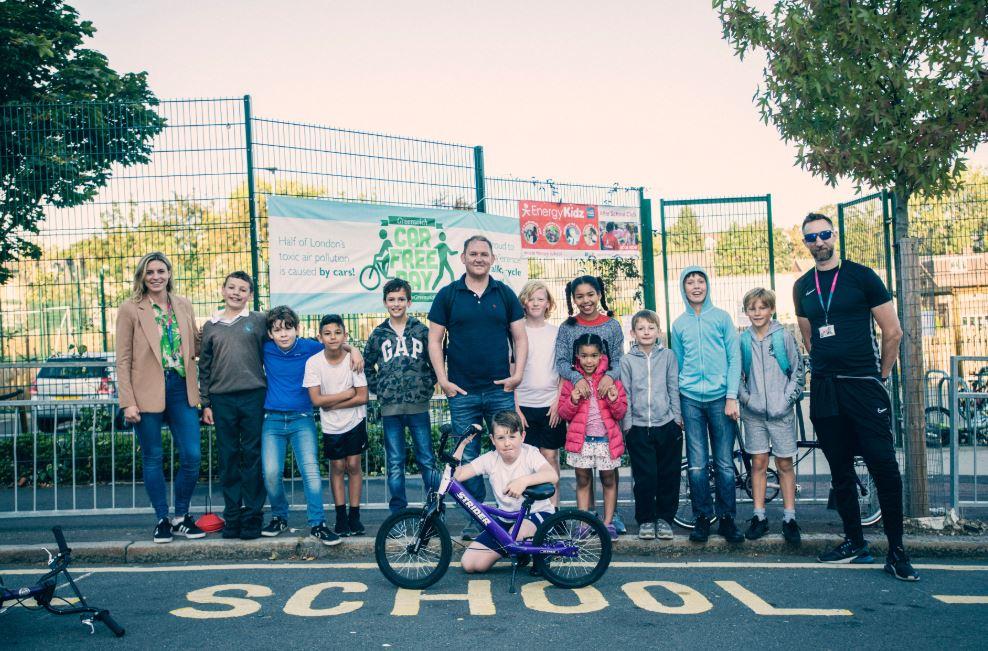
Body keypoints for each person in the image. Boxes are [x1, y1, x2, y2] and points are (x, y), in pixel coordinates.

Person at [794, 213, 917, 581]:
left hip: (863, 385)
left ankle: (896, 551)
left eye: (824, 234)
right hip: (826, 391)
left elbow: (892, 332)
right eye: (811, 238)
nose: (819, 242)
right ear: (805, 243)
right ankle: (855, 542)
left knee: (883, 467)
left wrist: (880, 376)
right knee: (840, 469)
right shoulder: (802, 286)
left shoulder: (861, 277)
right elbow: (809, 337)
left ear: (835, 236)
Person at [428, 235, 528, 540]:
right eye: (473, 253)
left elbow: (520, 338)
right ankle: (479, 520)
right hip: (463, 394)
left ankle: (513, 519)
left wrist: (518, 374)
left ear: (492, 259)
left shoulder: (505, 294)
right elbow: (434, 340)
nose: (479, 258)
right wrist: (443, 380)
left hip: (500, 390)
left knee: (510, 452)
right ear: (463, 257)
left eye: (484, 254)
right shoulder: (448, 295)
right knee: (467, 459)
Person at [116, 252, 205, 544]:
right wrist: (127, 401)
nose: (156, 276)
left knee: (192, 456)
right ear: (142, 276)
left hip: (181, 387)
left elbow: (198, 343)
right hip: (145, 391)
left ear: (169, 273)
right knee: (153, 457)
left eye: (161, 271)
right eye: (150, 272)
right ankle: (161, 519)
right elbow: (123, 358)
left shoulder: (183, 304)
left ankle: (181, 517)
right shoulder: (131, 309)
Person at [671, 266, 744, 544]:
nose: (696, 286)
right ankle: (703, 517)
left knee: (725, 463)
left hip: (720, 399)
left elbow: (734, 359)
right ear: (684, 288)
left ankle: (727, 519)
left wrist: (731, 396)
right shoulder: (678, 325)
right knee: (697, 465)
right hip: (690, 399)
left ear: (707, 285)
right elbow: (677, 364)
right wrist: (679, 404)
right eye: (690, 282)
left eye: (700, 280)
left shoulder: (722, 318)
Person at [259, 305, 341, 546]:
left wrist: (353, 350)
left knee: (311, 472)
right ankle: (279, 517)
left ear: (297, 329)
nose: (283, 334)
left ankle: (317, 523)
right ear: (270, 334)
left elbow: (336, 346)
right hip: (272, 420)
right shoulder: (266, 349)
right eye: (277, 330)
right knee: (271, 472)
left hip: (302, 418)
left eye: (288, 328)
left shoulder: (309, 347)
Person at [553, 275, 628, 534]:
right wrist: (576, 381)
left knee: (608, 470)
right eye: (579, 296)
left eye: (590, 295)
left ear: (599, 295)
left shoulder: (611, 326)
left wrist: (609, 377)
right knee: (583, 473)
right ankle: (587, 518)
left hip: (606, 399)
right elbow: (562, 361)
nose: (585, 301)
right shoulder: (567, 328)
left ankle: (611, 517)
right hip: (581, 405)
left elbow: (619, 360)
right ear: (573, 299)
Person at [199, 271, 268, 540]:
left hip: (254, 397)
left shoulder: (259, 321)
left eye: (243, 289)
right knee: (228, 459)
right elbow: (204, 367)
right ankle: (233, 516)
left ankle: (252, 516)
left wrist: (348, 349)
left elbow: (288, 334)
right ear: (222, 290)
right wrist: (206, 403)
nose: (236, 293)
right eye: (232, 288)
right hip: (222, 400)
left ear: (250, 295)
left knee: (252, 456)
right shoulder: (211, 326)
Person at [364, 278, 440, 514]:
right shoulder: (378, 334)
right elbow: (367, 366)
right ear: (385, 302)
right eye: (391, 299)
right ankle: (398, 510)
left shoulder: (421, 330)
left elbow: (436, 361)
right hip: (391, 409)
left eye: (401, 299)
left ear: (409, 301)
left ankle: (434, 506)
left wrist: (426, 387)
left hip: (418, 407)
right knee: (395, 462)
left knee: (426, 458)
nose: (396, 304)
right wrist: (381, 390)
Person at [738, 288, 804, 545]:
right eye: (752, 308)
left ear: (771, 309)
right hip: (754, 414)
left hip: (781, 413)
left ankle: (789, 518)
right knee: (759, 464)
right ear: (746, 312)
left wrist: (785, 401)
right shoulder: (743, 341)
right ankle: (759, 516)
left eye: (762, 307)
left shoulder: (783, 337)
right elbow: (738, 376)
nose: (757, 313)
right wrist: (748, 400)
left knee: (785, 465)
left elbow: (798, 373)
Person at [455, 411, 558, 573]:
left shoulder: (530, 453)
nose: (507, 443)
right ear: (492, 440)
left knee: (513, 537)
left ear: (522, 436)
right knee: (471, 564)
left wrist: (523, 481)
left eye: (512, 437)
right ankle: (519, 551)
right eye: (501, 438)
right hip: (507, 519)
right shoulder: (490, 458)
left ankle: (539, 549)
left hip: (538, 515)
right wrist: (462, 445)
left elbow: (552, 475)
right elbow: (457, 475)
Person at [304, 314, 369, 537]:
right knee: (338, 468)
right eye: (328, 333)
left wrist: (334, 401)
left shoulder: (354, 360)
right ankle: (341, 517)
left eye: (337, 332)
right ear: (319, 337)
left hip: (355, 421)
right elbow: (317, 400)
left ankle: (354, 516)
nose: (333, 337)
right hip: (331, 426)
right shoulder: (313, 363)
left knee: (353, 465)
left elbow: (362, 397)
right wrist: (347, 393)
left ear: (345, 335)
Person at [620, 309, 682, 541]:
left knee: (668, 475)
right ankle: (646, 519)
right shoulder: (627, 361)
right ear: (633, 332)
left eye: (651, 328)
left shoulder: (668, 357)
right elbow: (625, 392)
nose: (646, 332)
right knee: (646, 477)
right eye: (641, 328)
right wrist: (627, 425)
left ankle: (665, 519)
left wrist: (677, 418)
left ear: (658, 331)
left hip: (666, 424)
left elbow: (673, 387)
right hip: (638, 426)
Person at [514, 280, 566, 505]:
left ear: (548, 303)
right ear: (523, 303)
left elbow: (564, 371)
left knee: (550, 457)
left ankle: (552, 512)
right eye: (530, 298)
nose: (535, 303)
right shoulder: (516, 332)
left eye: (540, 298)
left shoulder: (557, 333)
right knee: (524, 460)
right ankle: (527, 512)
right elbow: (510, 369)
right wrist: (515, 408)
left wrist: (558, 403)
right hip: (524, 406)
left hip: (550, 405)